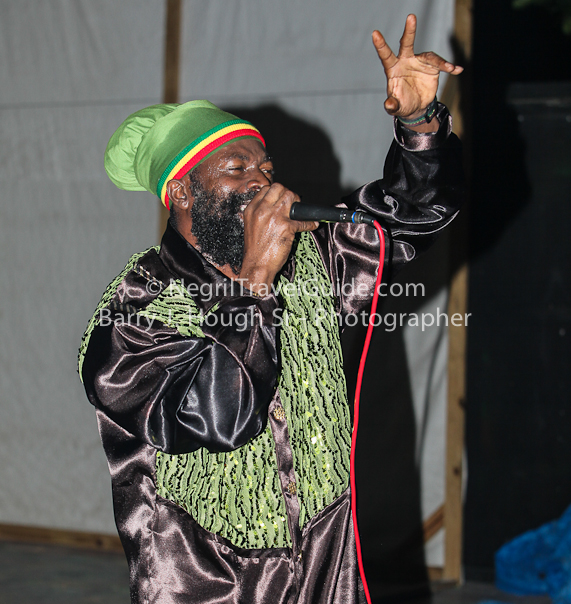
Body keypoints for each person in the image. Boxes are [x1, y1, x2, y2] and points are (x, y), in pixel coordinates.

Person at [79, 15, 464, 604]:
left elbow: (413, 212)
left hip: (327, 564)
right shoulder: (135, 308)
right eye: (237, 169)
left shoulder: (312, 258)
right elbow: (219, 418)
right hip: (211, 580)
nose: (263, 184)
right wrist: (254, 284)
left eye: (266, 169)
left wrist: (418, 123)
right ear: (180, 192)